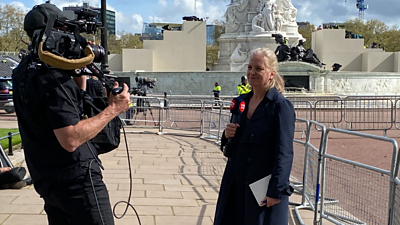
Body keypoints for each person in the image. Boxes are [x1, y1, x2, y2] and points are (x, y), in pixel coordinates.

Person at [12, 3, 130, 225]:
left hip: (47, 179)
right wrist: (114, 109)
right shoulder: (53, 78)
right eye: (66, 30)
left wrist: (76, 67)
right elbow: (71, 138)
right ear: (53, 31)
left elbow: (72, 105)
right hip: (77, 182)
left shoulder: (23, 70)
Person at [214, 47, 295, 225]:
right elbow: (229, 146)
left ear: (271, 74)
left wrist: (276, 190)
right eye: (250, 67)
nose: (252, 72)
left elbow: (285, 153)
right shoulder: (241, 101)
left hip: (262, 186)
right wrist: (227, 135)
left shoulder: (281, 107)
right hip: (235, 182)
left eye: (259, 68)